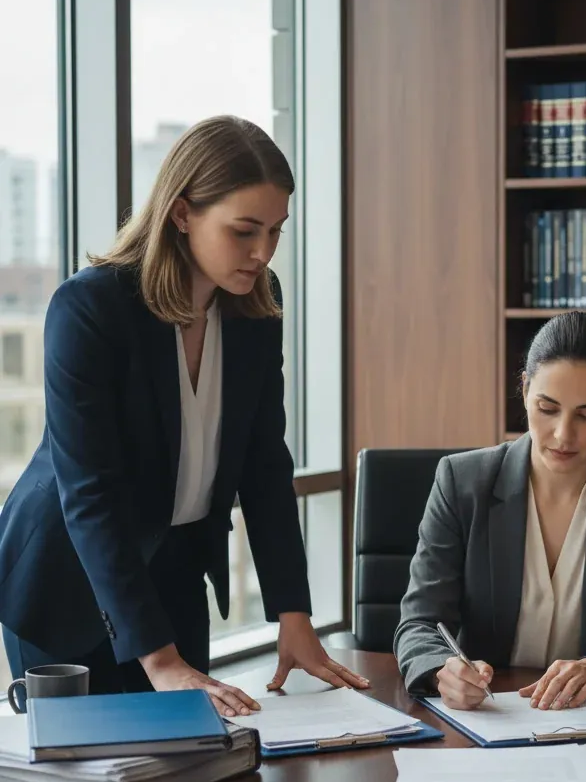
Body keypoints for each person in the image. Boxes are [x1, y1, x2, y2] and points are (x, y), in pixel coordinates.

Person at [0, 116, 367, 717]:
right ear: (181, 212)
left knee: (192, 777)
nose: (262, 252)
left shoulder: (256, 306)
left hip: (174, 573)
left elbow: (265, 465)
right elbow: (89, 495)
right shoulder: (89, 309)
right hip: (70, 580)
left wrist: (293, 616)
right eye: (244, 230)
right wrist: (162, 662)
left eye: (276, 231)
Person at [394, 311, 586, 710]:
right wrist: (442, 669)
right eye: (547, 408)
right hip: (490, 712)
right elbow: (419, 623)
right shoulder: (462, 481)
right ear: (525, 388)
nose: (563, 435)